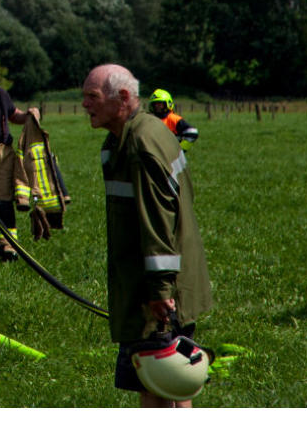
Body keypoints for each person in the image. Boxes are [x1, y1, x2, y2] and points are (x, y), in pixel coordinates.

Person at [82, 63, 215, 408]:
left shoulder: (139, 146)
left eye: (92, 96)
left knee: (157, 381)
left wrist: (160, 291)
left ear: (123, 97)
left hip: (155, 296)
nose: (84, 104)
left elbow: (158, 222)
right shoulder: (135, 135)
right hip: (159, 287)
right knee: (172, 380)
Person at [0, 54, 39, 261]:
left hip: (1, 154)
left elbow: (14, 115)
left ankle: (9, 247)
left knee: (2, 201)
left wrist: (28, 115)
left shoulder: (0, 94)